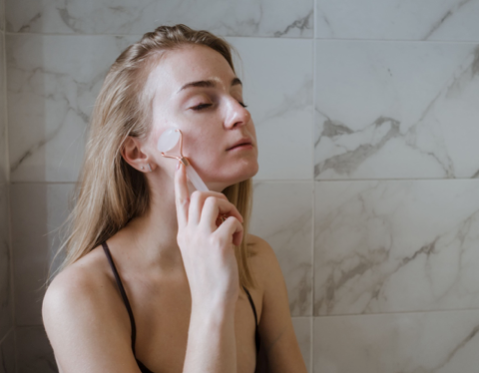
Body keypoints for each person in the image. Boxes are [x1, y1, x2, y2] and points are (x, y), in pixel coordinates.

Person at [42, 24, 307, 373]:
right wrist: (212, 301)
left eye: (239, 98)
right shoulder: (79, 296)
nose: (241, 114)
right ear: (137, 152)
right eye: (202, 104)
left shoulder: (256, 261)